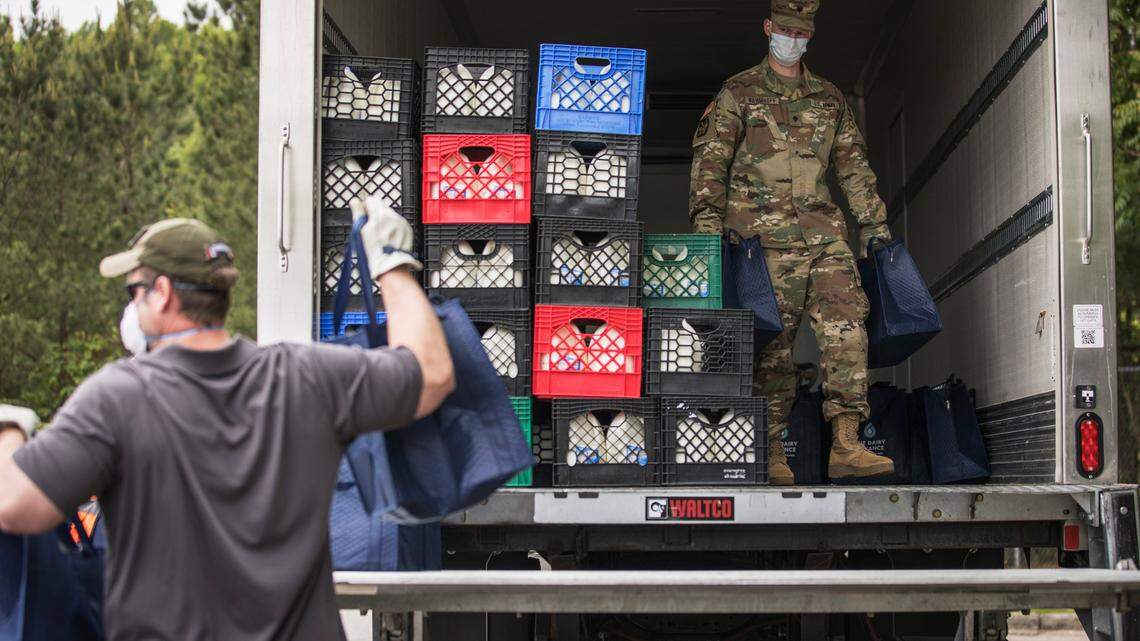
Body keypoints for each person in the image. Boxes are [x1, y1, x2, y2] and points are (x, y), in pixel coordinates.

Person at [0, 196, 455, 641]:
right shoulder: (308, 377)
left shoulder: (115, 398)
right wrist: (392, 265)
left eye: (133, 292)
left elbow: (16, 506)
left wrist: (12, 430)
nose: (131, 307)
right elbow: (431, 374)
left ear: (161, 294)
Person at [689, 0, 894, 485]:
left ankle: (846, 442)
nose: (792, 40)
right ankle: (772, 451)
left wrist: (875, 227)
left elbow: (853, 167)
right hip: (761, 244)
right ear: (768, 28)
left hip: (824, 239)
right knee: (773, 352)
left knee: (848, 331)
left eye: (801, 33)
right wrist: (706, 234)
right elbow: (710, 165)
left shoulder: (828, 99)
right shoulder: (738, 93)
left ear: (810, 36)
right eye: (785, 30)